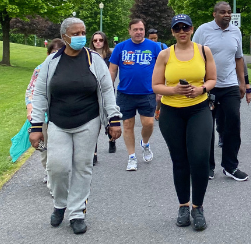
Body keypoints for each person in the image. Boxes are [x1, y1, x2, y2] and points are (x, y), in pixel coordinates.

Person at [29, 17, 122, 235]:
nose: (81, 37)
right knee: (57, 167)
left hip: (87, 121)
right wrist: (35, 126)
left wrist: (113, 119)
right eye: (76, 33)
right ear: (64, 37)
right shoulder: (51, 62)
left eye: (83, 33)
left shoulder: (95, 60)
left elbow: (107, 90)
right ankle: (60, 204)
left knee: (82, 166)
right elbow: (40, 93)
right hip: (58, 122)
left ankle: (77, 212)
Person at [152, 14, 217, 231]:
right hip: (172, 112)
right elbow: (156, 86)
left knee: (199, 158)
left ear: (192, 29)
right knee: (179, 160)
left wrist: (201, 89)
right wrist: (174, 90)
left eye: (185, 27)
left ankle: (197, 207)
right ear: (172, 31)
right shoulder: (164, 54)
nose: (182, 31)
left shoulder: (203, 51)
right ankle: (183, 206)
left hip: (199, 109)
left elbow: (212, 79)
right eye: (177, 28)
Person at [192, 1, 248, 182]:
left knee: (233, 124)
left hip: (230, 85)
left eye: (229, 12)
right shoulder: (203, 31)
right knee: (206, 127)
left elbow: (238, 58)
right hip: (208, 85)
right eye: (223, 12)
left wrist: (242, 83)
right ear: (214, 14)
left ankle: (230, 166)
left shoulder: (235, 32)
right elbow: (193, 56)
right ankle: (207, 167)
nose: (227, 15)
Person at [109, 19, 162, 171]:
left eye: (141, 29)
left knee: (149, 123)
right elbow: (112, 70)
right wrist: (109, 88)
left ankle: (145, 143)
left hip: (147, 93)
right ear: (129, 31)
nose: (138, 32)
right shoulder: (121, 47)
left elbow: (162, 69)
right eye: (135, 29)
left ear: (144, 30)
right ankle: (132, 156)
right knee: (127, 125)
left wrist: (160, 89)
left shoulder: (154, 47)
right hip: (125, 93)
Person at [25, 38, 65, 185]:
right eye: (53, 52)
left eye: (60, 53)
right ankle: (49, 172)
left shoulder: (68, 69)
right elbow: (30, 91)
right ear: (48, 53)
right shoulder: (40, 69)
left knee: (60, 148)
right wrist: (30, 107)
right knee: (44, 148)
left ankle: (59, 174)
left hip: (62, 114)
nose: (56, 56)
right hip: (43, 115)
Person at [90, 31, 116, 159]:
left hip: (107, 91)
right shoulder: (88, 56)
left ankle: (112, 139)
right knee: (94, 122)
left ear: (105, 42)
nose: (98, 42)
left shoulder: (110, 56)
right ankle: (93, 152)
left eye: (100, 40)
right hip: (92, 92)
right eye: (95, 40)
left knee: (108, 117)